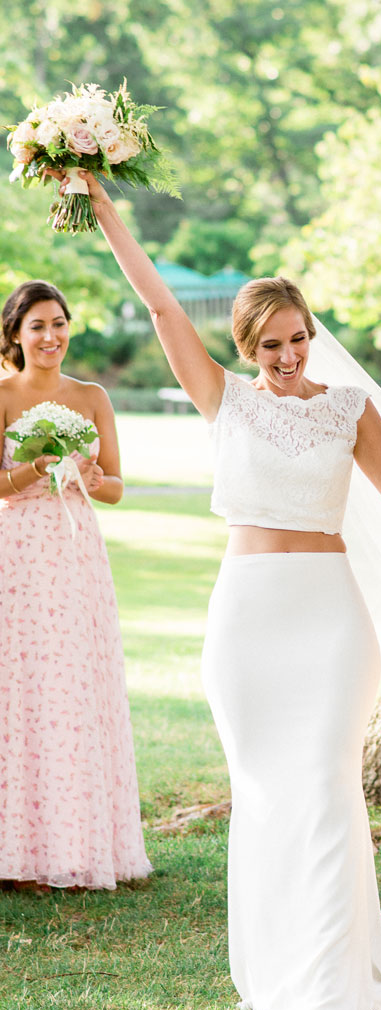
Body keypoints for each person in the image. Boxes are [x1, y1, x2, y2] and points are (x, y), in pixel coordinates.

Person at [63, 169, 381, 1010]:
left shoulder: (348, 408)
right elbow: (163, 310)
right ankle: (278, 960)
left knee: (325, 785)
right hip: (246, 620)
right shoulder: (226, 400)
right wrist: (105, 212)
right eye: (271, 345)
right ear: (248, 348)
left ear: (311, 333)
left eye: (298, 338)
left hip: (328, 620)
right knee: (264, 791)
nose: (289, 356)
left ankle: (329, 991)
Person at [0, 280, 151, 892]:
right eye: (37, 325)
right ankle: (18, 851)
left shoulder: (91, 397)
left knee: (71, 689)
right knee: (19, 687)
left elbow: (116, 486)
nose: (50, 336)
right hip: (17, 556)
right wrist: (33, 466)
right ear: (15, 334)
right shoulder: (3, 396)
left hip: (76, 555)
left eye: (59, 323)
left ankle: (76, 845)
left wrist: (86, 472)